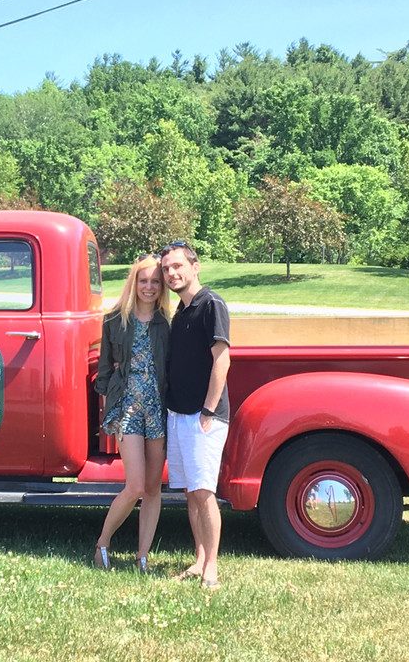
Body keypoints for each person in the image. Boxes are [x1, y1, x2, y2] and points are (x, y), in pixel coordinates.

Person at [93, 254, 173, 573]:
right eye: (144, 281)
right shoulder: (115, 319)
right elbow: (103, 369)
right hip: (128, 408)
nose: (149, 287)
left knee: (153, 489)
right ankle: (102, 543)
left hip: (158, 408)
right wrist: (110, 400)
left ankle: (143, 557)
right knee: (136, 485)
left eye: (155, 281)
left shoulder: (167, 323)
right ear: (133, 283)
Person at [160, 240, 230, 591]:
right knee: (190, 492)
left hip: (204, 417)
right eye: (166, 269)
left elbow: (222, 359)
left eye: (177, 266)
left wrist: (208, 409)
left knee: (204, 493)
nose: (172, 273)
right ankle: (199, 558)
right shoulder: (181, 311)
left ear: (195, 266)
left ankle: (212, 568)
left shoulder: (211, 304)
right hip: (179, 414)